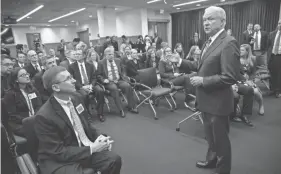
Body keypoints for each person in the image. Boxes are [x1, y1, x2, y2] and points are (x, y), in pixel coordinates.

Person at [170, 6, 240, 174]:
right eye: (204, 20)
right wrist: (180, 62)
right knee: (210, 138)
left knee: (221, 141)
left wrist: (203, 81)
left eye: (211, 19)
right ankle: (211, 160)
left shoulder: (229, 42)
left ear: (223, 21)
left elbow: (230, 77)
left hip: (218, 103)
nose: (206, 23)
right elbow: (200, 67)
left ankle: (223, 170)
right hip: (205, 101)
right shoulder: (208, 41)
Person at [35, 66, 122, 174]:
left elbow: (87, 123)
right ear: (56, 87)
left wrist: (100, 138)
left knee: (114, 160)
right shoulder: (44, 116)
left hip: (82, 148)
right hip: (59, 159)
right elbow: (57, 152)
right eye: (68, 78)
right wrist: (92, 149)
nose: (74, 80)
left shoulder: (76, 98)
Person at [97, 47, 139, 117]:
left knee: (127, 86)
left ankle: (131, 106)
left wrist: (123, 76)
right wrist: (103, 80)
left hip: (119, 80)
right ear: (105, 55)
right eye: (109, 54)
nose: (111, 56)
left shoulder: (118, 60)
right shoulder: (101, 63)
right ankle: (120, 109)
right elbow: (98, 75)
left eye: (112, 54)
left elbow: (123, 70)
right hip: (109, 82)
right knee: (114, 89)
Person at [3, 67, 42, 136]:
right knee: (36, 131)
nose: (27, 76)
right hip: (20, 124)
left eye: (27, 74)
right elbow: (13, 116)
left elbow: (39, 105)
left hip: (36, 119)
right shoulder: (10, 95)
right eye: (23, 75)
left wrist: (36, 117)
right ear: (16, 80)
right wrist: (29, 121)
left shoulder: (33, 90)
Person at [69, 50, 105, 122]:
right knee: (84, 95)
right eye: (75, 54)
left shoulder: (90, 65)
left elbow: (94, 77)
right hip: (80, 86)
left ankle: (100, 113)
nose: (76, 56)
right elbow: (72, 79)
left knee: (100, 91)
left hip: (91, 84)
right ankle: (87, 114)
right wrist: (82, 87)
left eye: (78, 54)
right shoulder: (72, 66)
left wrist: (91, 85)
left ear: (83, 56)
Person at [268, 19, 281, 98]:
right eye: (279, 23)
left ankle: (278, 90)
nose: (280, 25)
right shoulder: (272, 34)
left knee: (279, 74)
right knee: (272, 72)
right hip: (273, 56)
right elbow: (268, 46)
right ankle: (273, 89)